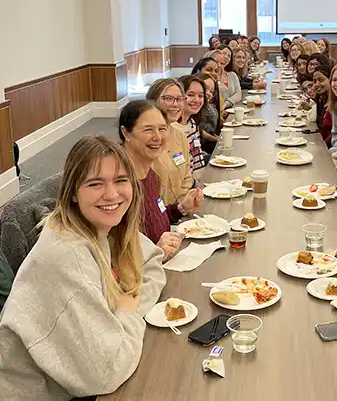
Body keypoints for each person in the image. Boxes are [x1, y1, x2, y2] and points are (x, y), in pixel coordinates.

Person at [0, 135, 167, 399]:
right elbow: (108, 372)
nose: (111, 194)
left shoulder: (108, 224)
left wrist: (121, 315)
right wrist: (126, 316)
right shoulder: (66, 254)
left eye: (121, 180)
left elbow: (152, 260)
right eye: (95, 183)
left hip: (76, 379)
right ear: (73, 193)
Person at [119, 100, 202, 255]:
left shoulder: (150, 175)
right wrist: (156, 252)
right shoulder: (119, 184)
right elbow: (115, 254)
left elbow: (158, 215)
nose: (158, 137)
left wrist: (181, 207)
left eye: (163, 129)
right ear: (126, 133)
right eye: (148, 130)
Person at [146, 78, 194, 204]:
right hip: (158, 215)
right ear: (152, 102)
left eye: (179, 99)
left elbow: (188, 173)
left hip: (181, 208)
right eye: (168, 98)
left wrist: (182, 202)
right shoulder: (145, 140)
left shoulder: (180, 134)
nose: (175, 104)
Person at [177, 75, 208, 170]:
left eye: (200, 96)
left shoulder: (192, 123)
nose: (197, 100)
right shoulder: (174, 130)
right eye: (190, 95)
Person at [197, 71, 221, 153]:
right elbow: (199, 131)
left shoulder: (211, 107)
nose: (208, 93)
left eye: (211, 91)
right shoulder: (194, 108)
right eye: (205, 89)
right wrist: (217, 140)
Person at [312, 66, 333, 147]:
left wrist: (321, 145)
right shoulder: (321, 100)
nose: (316, 84)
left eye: (321, 80)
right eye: (314, 81)